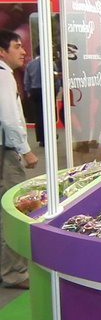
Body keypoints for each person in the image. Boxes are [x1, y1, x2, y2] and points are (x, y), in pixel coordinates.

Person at [0, 30, 38, 290]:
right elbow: (9, 118)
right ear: (2, 52)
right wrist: (25, 150)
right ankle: (14, 272)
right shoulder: (4, 75)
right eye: (17, 46)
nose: (23, 51)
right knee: (12, 209)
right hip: (5, 152)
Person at [24, 46, 44, 147]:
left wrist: (28, 92)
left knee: (38, 115)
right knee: (48, 114)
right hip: (46, 90)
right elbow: (55, 78)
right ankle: (49, 134)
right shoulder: (49, 63)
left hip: (34, 91)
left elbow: (26, 81)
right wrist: (56, 90)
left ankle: (41, 138)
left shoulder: (30, 64)